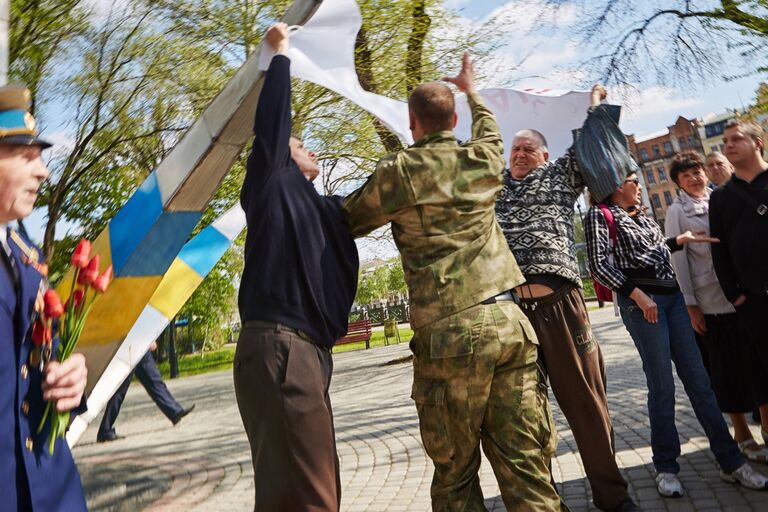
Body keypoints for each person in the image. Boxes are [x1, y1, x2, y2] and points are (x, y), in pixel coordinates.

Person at [343, 54, 563, 511]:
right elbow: (489, 129)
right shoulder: (483, 159)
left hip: (449, 331)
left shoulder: (397, 171)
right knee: (527, 465)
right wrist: (472, 88)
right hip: (509, 321)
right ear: (454, 118)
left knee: (455, 476)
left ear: (412, 122)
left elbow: (347, 221)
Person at [235, 24, 359, 512]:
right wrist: (280, 57)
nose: (313, 151)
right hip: (280, 348)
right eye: (301, 143)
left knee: (292, 492)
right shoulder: (271, 181)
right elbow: (272, 124)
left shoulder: (319, 207)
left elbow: (368, 203)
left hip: (303, 353)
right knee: (312, 496)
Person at [496, 85, 637, 512]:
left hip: (559, 306)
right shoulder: (493, 189)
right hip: (512, 314)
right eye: (514, 150)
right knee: (523, 414)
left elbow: (592, 152)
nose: (518, 155)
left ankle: (612, 498)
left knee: (587, 404)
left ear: (543, 155)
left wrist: (596, 111)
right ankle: (542, 502)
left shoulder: (558, 176)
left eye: (527, 149)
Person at [585, 170, 768, 498]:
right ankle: (666, 467)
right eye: (632, 180)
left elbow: (655, 252)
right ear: (614, 186)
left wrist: (678, 242)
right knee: (662, 387)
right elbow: (599, 265)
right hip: (644, 307)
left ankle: (731, 462)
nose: (639, 185)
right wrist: (638, 296)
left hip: (672, 301)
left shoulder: (640, 213)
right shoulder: (601, 214)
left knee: (701, 383)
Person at [0, 85, 89, 510]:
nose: (43, 172)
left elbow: (37, 361)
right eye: (26, 156)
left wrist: (71, 379)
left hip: (51, 487)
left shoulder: (25, 252)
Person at [665, 151, 768, 463]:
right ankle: (742, 433)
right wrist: (691, 305)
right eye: (687, 175)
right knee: (728, 369)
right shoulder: (677, 212)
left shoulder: (723, 197)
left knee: (757, 364)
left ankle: (765, 427)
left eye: (698, 171)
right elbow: (678, 260)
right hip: (710, 300)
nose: (695, 178)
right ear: (679, 183)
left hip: (741, 295)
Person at [710, 119, 768, 444]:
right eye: (725, 141)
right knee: (760, 372)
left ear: (757, 142)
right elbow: (720, 252)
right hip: (753, 301)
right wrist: (736, 296)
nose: (728, 146)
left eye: (736, 139)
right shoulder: (721, 197)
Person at [96, 341, 195, 442]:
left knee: (154, 380)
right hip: (128, 345)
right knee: (121, 389)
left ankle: (174, 412)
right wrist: (148, 339)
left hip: (137, 346)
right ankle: (105, 430)